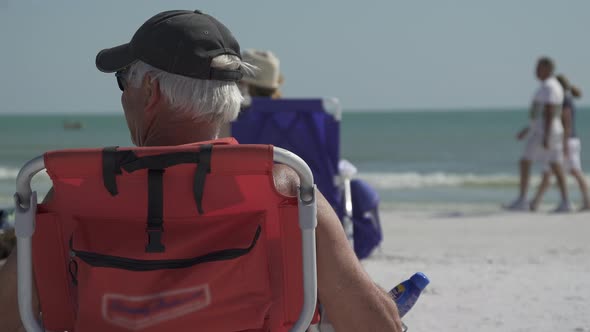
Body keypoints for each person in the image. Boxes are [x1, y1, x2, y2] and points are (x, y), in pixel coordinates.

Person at [0, 10, 402, 332]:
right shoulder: (281, 187)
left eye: (124, 81)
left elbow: (9, 316)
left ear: (151, 93)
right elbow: (373, 325)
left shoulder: (75, 193)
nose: (123, 96)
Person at [506, 57, 571, 212]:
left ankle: (523, 199)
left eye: (538, 67)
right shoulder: (550, 86)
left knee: (526, 161)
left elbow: (549, 112)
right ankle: (565, 201)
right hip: (546, 130)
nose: (535, 71)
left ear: (547, 68)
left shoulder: (549, 86)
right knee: (555, 165)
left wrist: (546, 136)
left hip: (545, 131)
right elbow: (540, 114)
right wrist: (528, 129)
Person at [529, 75, 589, 211]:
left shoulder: (564, 100)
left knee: (573, 171)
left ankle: (586, 201)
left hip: (567, 140)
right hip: (565, 139)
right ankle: (535, 202)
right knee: (548, 172)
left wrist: (565, 144)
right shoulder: (565, 99)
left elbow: (566, 122)